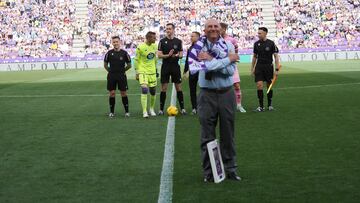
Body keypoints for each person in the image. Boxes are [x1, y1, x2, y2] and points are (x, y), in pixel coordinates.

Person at [189, 19, 241, 182]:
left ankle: (231, 169)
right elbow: (210, 67)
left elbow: (230, 71)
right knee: (207, 135)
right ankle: (209, 172)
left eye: (215, 26)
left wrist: (211, 60)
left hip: (226, 93)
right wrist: (227, 60)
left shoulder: (228, 45)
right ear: (204, 30)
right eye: (209, 27)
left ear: (221, 29)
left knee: (228, 133)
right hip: (207, 94)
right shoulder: (199, 46)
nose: (213, 29)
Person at [157, 23, 186, 115]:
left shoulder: (178, 41)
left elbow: (181, 55)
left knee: (178, 87)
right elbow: (159, 55)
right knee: (164, 88)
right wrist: (167, 55)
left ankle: (183, 108)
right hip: (165, 67)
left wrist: (176, 55)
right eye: (167, 29)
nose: (168, 30)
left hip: (175, 67)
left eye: (169, 29)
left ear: (173, 30)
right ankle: (161, 109)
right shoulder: (162, 41)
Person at [251, 27, 280, 112]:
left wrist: (277, 69)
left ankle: (270, 105)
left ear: (265, 33)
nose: (258, 35)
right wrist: (252, 68)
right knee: (259, 85)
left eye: (260, 33)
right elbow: (254, 57)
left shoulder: (271, 43)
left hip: (268, 67)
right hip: (259, 67)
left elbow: (276, 57)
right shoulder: (256, 44)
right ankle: (261, 106)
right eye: (258, 33)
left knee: (268, 85)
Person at [220, 22, 246, 113]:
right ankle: (224, 106)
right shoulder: (216, 40)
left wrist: (234, 58)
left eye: (220, 28)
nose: (218, 30)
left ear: (224, 29)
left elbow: (236, 51)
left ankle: (239, 105)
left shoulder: (232, 40)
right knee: (223, 87)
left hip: (231, 65)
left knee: (237, 86)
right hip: (221, 66)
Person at [104, 36, 131, 118]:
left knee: (123, 93)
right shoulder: (109, 53)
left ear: (120, 42)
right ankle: (112, 112)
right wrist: (110, 71)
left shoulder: (124, 53)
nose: (115, 43)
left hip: (121, 76)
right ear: (112, 43)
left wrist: (122, 71)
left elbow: (129, 65)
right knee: (112, 93)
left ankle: (127, 112)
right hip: (111, 76)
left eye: (117, 42)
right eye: (114, 42)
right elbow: (105, 65)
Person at [134, 31, 158, 118]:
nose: (155, 39)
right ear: (148, 38)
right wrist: (137, 72)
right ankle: (144, 111)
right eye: (154, 38)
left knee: (153, 91)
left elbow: (155, 59)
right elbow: (136, 60)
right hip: (143, 71)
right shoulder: (140, 47)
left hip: (152, 72)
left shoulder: (155, 46)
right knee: (144, 89)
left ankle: (151, 109)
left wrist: (156, 69)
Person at [183, 31, 201, 115]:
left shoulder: (203, 47)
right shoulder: (190, 48)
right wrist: (185, 71)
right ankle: (194, 108)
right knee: (192, 90)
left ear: (198, 37)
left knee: (204, 89)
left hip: (201, 71)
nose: (191, 38)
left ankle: (204, 107)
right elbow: (187, 60)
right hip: (193, 72)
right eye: (191, 36)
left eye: (193, 36)